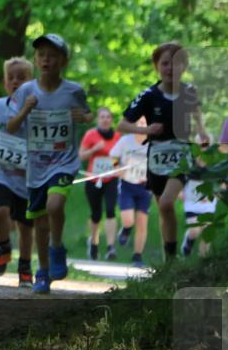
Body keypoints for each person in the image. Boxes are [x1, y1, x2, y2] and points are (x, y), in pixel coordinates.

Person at [6, 34, 94, 294]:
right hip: (36, 168)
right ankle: (43, 272)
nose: (46, 60)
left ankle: (57, 247)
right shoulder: (25, 92)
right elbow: (10, 126)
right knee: (40, 223)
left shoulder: (73, 90)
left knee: (55, 204)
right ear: (35, 59)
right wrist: (25, 111)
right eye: (41, 55)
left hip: (64, 162)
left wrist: (83, 116)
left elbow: (88, 114)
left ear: (63, 61)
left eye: (52, 55)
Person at [116, 42, 210, 262]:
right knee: (163, 209)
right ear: (157, 66)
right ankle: (170, 260)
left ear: (184, 66)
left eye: (176, 64)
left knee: (167, 203)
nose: (170, 68)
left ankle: (172, 258)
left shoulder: (189, 92)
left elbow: (197, 116)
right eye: (165, 63)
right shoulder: (148, 96)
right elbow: (122, 125)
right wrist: (145, 129)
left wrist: (202, 133)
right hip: (157, 157)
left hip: (181, 154)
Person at [0, 56, 35, 286]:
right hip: (2, 172)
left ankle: (24, 266)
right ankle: (3, 248)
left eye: (21, 78)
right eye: (11, 78)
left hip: (29, 176)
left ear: (31, 82)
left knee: (25, 225)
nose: (15, 81)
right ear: (4, 82)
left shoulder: (37, 107)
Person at [78, 107, 121, 260]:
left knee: (110, 210)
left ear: (111, 120)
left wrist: (117, 166)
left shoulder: (117, 137)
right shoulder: (91, 135)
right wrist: (94, 149)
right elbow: (81, 156)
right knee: (96, 214)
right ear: (98, 119)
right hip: (93, 179)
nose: (105, 119)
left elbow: (120, 157)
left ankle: (110, 247)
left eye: (108, 117)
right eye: (102, 117)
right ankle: (94, 243)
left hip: (111, 179)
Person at [110, 116, 151, 268]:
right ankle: (126, 229)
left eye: (145, 123)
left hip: (145, 187)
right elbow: (113, 156)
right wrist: (116, 168)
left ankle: (137, 256)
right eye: (139, 122)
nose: (142, 126)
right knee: (128, 219)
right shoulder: (126, 141)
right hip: (127, 184)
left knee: (142, 223)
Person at [181, 178, 215, 258]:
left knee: (207, 231)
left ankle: (203, 259)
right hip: (192, 204)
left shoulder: (216, 169)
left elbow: (223, 185)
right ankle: (187, 246)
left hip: (208, 206)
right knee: (194, 230)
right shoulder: (191, 169)